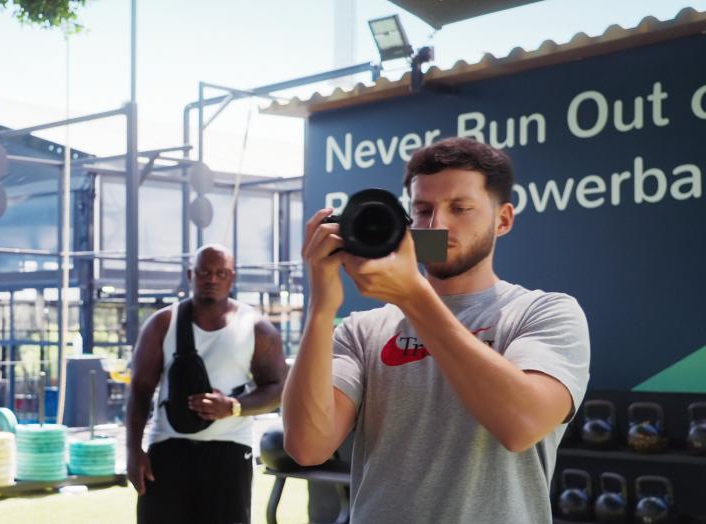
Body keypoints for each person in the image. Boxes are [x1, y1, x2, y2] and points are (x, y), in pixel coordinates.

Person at [281, 137, 590, 523]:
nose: (437, 225)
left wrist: (413, 298)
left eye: (460, 208)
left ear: (503, 219)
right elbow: (308, 447)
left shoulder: (543, 312)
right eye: (422, 209)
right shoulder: (363, 330)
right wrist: (321, 309)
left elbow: (520, 425)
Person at [126, 244, 289, 524]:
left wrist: (233, 407)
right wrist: (133, 451)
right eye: (204, 271)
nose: (212, 279)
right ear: (190, 274)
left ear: (232, 277)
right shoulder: (162, 323)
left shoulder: (256, 327)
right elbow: (140, 390)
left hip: (230, 451)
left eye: (221, 273)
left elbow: (277, 389)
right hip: (167, 449)